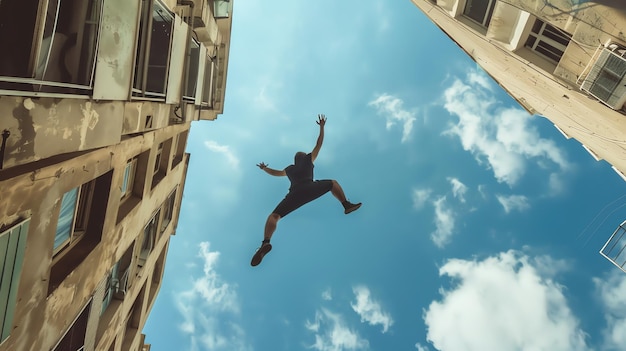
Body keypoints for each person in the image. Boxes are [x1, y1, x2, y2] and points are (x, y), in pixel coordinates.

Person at [251, 114, 362, 266]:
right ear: (304, 156)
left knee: (274, 215)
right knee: (333, 183)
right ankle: (346, 205)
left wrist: (265, 168)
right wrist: (322, 127)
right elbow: (319, 144)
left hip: (294, 194)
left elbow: (276, 173)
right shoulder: (308, 159)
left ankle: (265, 242)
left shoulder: (289, 169)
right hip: (310, 188)